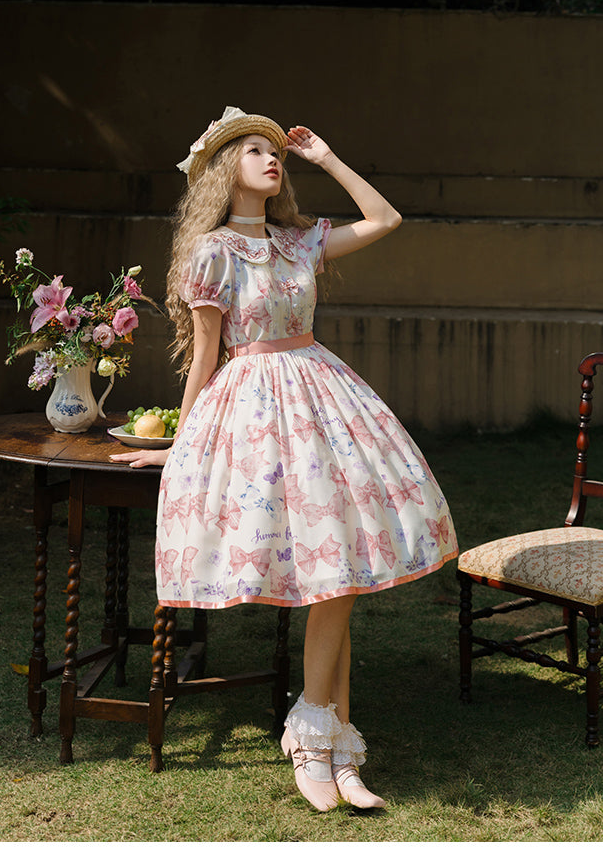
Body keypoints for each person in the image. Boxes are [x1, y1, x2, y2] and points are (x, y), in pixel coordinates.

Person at [110, 106, 457, 812]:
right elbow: (205, 356)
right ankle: (324, 741)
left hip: (324, 400)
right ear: (224, 169)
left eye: (278, 153)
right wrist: (182, 445)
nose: (273, 159)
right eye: (255, 151)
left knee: (343, 568)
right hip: (255, 411)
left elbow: (386, 218)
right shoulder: (211, 252)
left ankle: (325, 737)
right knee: (331, 572)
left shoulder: (299, 241)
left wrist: (327, 158)